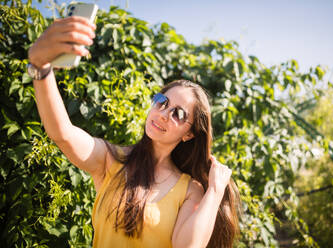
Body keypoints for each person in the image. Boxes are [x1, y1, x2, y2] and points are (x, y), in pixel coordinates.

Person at [28, 16, 240, 248]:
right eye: (162, 102)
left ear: (189, 134)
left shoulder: (190, 190)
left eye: (178, 114)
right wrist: (41, 67)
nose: (163, 113)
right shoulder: (112, 161)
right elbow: (63, 134)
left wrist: (216, 191)